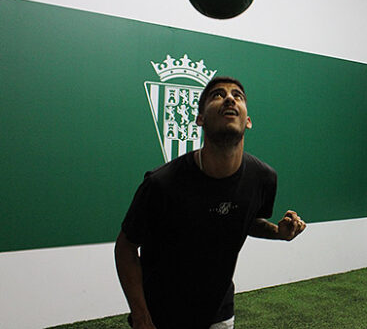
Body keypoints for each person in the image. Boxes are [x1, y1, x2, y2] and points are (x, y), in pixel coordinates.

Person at [115, 76, 306, 329]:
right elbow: (126, 247)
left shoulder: (263, 178)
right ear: (200, 119)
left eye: (237, 95)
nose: (229, 98)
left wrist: (278, 232)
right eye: (217, 95)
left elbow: (246, 220)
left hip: (219, 314)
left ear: (247, 121)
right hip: (162, 315)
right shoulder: (161, 184)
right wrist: (141, 316)